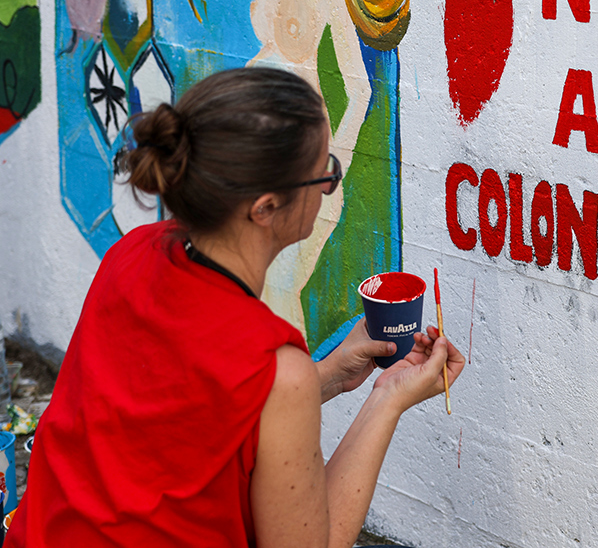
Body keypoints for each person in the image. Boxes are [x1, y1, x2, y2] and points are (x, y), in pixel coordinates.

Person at [6, 67, 464, 547]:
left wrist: (322, 376)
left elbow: (196, 424)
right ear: (265, 208)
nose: (331, 185)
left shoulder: (132, 253)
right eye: (324, 172)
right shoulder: (274, 368)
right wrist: (388, 397)